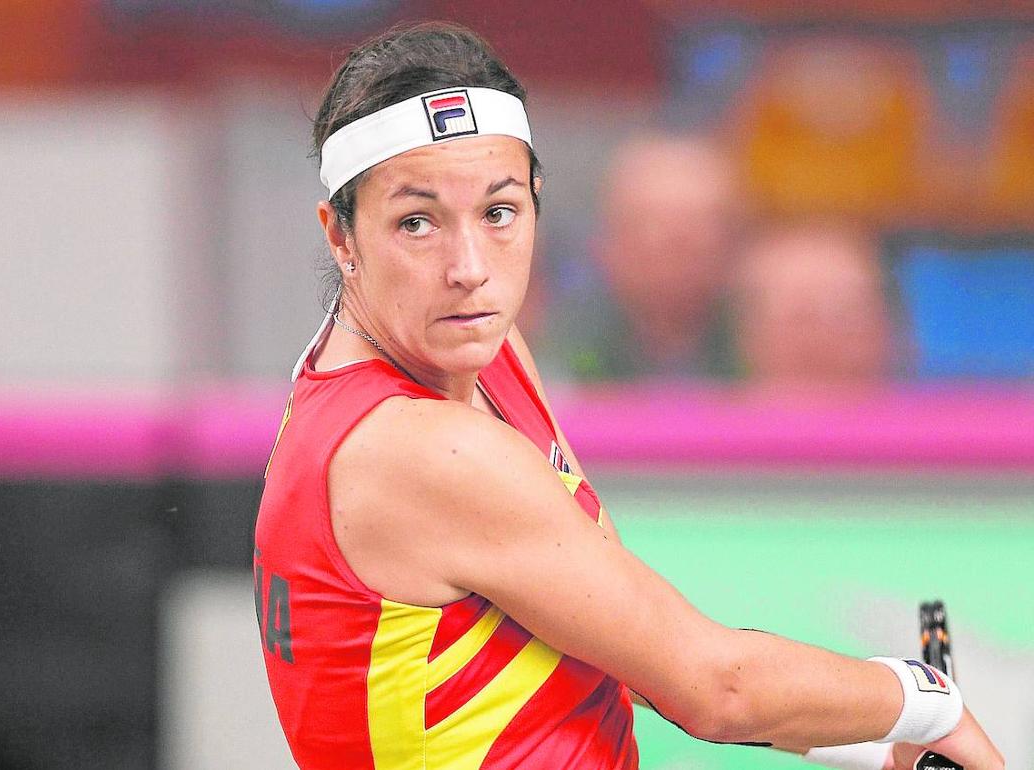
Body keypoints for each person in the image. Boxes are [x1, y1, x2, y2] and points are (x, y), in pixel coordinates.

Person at [254, 21, 1003, 770]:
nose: (470, 267)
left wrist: (872, 746)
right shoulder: (419, 446)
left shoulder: (481, 353)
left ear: (537, 202)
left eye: (499, 212)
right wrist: (928, 701)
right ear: (340, 236)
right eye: (417, 223)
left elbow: (621, 647)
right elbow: (715, 687)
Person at [550, 133, 742, 381]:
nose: (677, 246)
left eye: (701, 225)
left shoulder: (765, 349)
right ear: (606, 245)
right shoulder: (567, 358)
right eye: (651, 225)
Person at [733, 220, 897, 385]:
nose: (823, 340)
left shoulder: (915, 406)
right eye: (802, 318)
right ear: (750, 332)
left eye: (843, 318)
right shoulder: (714, 407)